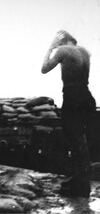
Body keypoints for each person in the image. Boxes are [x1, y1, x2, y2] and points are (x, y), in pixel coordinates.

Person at [41, 30, 96, 197]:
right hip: (87, 97)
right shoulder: (85, 51)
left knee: (74, 140)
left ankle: (80, 183)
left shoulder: (63, 50)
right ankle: (82, 180)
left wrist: (50, 48)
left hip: (72, 97)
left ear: (63, 41)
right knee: (82, 140)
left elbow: (44, 69)